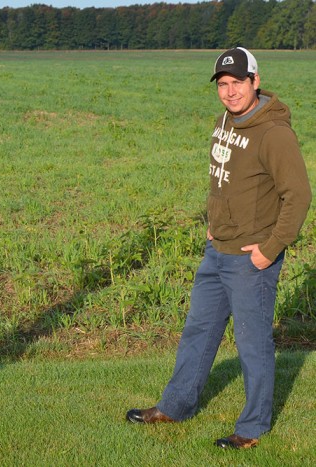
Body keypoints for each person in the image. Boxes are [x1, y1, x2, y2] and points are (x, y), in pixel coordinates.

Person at [125, 47, 312, 449]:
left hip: (250, 258)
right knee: (199, 331)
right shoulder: (225, 119)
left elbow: (298, 196)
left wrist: (270, 247)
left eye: (237, 83)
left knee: (252, 342)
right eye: (222, 85)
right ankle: (175, 405)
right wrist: (213, 221)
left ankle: (253, 427)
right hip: (217, 251)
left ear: (255, 81)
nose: (229, 92)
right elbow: (223, 178)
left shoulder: (274, 133)